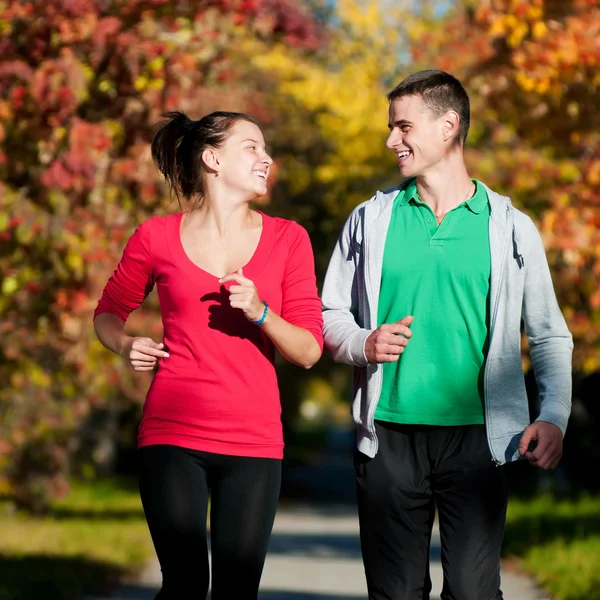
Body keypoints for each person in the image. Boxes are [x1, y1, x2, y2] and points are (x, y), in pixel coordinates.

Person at [321, 70, 572, 600]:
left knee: (474, 592)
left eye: (404, 127)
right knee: (395, 594)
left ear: (448, 126)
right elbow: (328, 313)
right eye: (392, 128)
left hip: (482, 437)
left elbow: (548, 333)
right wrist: (362, 343)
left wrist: (553, 415)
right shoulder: (371, 219)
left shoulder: (509, 226)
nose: (393, 140)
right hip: (387, 434)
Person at [93, 110, 323, 599]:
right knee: (184, 585)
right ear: (213, 158)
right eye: (252, 148)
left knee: (236, 593)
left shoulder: (288, 239)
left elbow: (308, 351)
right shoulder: (154, 236)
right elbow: (108, 312)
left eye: (265, 149)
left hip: (254, 442)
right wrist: (126, 343)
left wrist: (261, 312)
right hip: (172, 434)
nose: (267, 158)